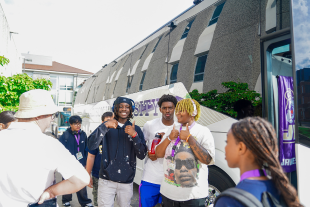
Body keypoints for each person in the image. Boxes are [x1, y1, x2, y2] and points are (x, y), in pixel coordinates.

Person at [0, 89, 89, 207]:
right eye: (52, 115)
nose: (52, 119)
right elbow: (82, 179)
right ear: (40, 116)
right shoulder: (48, 144)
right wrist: (51, 192)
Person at [214, 117, 302, 207]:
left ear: (241, 148)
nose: (225, 147)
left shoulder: (228, 201)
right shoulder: (285, 192)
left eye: (227, 142)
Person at [88, 97, 147, 207]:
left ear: (131, 109)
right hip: (106, 181)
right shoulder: (106, 127)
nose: (124, 109)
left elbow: (142, 155)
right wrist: (104, 126)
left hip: (126, 182)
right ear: (115, 108)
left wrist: (134, 136)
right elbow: (91, 145)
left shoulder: (136, 129)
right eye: (120, 106)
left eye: (127, 107)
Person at [156, 98, 215, 207]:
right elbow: (158, 154)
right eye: (177, 110)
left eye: (181, 110)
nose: (177, 113)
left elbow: (207, 160)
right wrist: (169, 137)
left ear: (193, 112)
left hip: (192, 197)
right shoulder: (172, 129)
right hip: (168, 194)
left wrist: (189, 138)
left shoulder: (203, 131)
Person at [140, 94, 178, 207]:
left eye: (170, 108)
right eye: (164, 108)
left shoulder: (179, 127)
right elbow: (142, 145)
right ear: (160, 109)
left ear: (174, 109)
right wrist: (148, 152)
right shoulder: (149, 125)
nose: (167, 111)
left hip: (170, 180)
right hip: (150, 177)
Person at [59, 115, 94, 207]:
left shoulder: (83, 134)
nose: (78, 126)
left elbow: (86, 149)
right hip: (68, 164)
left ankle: (85, 202)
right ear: (70, 124)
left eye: (79, 124)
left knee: (81, 182)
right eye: (75, 124)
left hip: (81, 164)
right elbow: (60, 150)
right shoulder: (65, 135)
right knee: (67, 182)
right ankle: (66, 200)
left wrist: (86, 162)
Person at [86, 111, 114, 207]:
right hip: (98, 175)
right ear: (102, 122)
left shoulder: (117, 135)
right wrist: (87, 175)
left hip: (112, 176)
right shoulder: (97, 135)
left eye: (112, 121)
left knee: (109, 202)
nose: (110, 123)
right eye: (107, 121)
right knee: (98, 201)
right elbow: (90, 156)